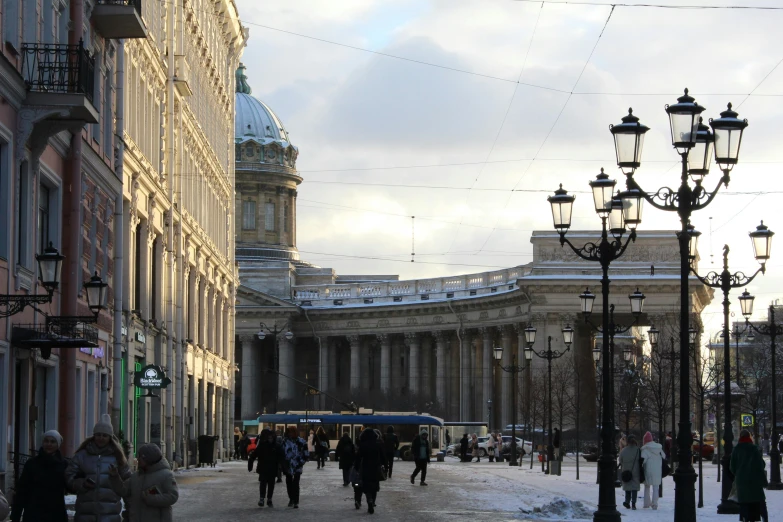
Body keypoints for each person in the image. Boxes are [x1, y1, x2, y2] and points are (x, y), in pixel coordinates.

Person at [66, 415, 131, 522]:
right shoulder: (81, 455)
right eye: (98, 435)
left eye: (104, 435)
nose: (101, 438)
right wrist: (82, 484)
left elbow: (128, 484)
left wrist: (129, 510)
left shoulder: (118, 457)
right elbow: (69, 476)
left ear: (110, 437)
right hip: (85, 513)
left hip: (110, 514)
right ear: (94, 436)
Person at [108, 443, 178, 522]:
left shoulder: (166, 475)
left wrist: (151, 498)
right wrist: (115, 477)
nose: (138, 459)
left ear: (149, 459)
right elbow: (123, 490)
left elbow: (173, 496)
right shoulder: (136, 476)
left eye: (141, 457)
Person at [10, 430, 68, 522]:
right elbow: (22, 491)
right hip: (33, 514)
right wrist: (15, 516)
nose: (49, 444)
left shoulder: (64, 465)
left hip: (56, 514)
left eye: (52, 442)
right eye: (46, 441)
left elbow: (71, 486)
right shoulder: (32, 464)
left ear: (58, 444)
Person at [731, 429, 768, 522]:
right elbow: (761, 465)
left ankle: (745, 518)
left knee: (744, 502)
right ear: (749, 437)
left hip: (741, 481)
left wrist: (739, 474)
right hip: (755, 480)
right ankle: (763, 517)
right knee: (759, 500)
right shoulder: (754, 449)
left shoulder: (736, 449)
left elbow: (732, 467)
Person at [354, 427, 387, 514]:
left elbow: (358, 457)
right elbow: (383, 457)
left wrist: (356, 468)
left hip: (365, 468)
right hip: (376, 468)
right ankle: (373, 501)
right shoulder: (378, 444)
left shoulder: (363, 445)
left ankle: (369, 499)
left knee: (367, 486)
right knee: (374, 486)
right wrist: (385, 467)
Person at [248, 429, 284, 507]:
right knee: (263, 483)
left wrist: (282, 467)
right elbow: (254, 455)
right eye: (269, 437)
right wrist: (250, 464)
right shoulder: (263, 445)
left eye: (271, 437)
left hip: (272, 467)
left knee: (271, 484)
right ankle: (262, 498)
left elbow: (281, 457)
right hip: (263, 467)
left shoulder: (276, 446)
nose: (270, 439)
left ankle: (269, 498)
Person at [281, 425, 309, 508]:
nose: (290, 434)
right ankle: (291, 499)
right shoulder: (285, 441)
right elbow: (282, 453)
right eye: (289, 432)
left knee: (296, 483)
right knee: (289, 483)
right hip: (288, 465)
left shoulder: (301, 442)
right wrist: (283, 462)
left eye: (291, 432)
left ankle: (295, 501)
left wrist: (301, 462)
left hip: (297, 465)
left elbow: (306, 454)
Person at [640, 431, 665, 510]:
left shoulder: (645, 449)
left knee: (647, 486)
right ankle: (655, 504)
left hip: (648, 470)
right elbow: (664, 456)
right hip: (657, 470)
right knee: (655, 487)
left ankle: (646, 503)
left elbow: (643, 460)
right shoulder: (659, 448)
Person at [618, 434, 641, 510]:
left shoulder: (624, 450)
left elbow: (620, 460)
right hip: (636, 470)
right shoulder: (638, 450)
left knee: (627, 485)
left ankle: (627, 502)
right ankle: (633, 503)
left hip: (626, 470)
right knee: (634, 486)